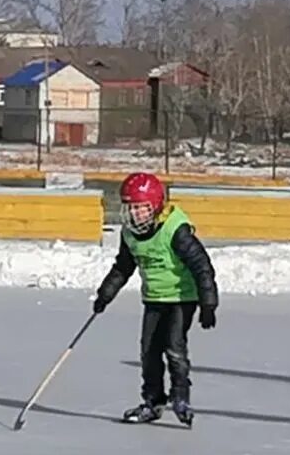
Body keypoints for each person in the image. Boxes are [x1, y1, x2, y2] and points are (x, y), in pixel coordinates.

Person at [92, 171, 219, 427]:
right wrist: (105, 294)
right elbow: (123, 267)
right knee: (149, 351)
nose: (136, 214)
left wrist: (208, 303)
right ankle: (153, 401)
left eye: (142, 208)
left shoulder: (175, 231)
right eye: (131, 208)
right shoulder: (129, 234)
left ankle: (181, 397)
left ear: (156, 206)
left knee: (174, 347)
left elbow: (201, 265)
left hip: (182, 297)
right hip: (154, 298)